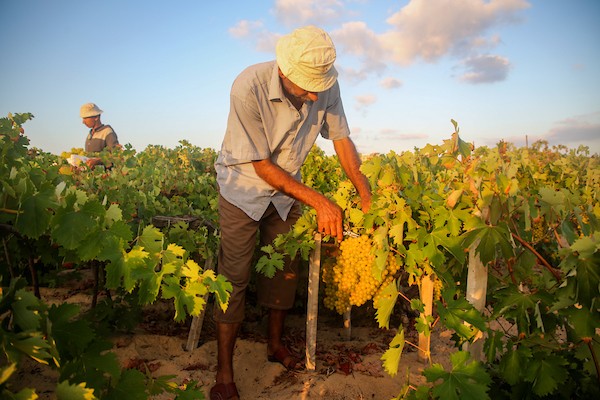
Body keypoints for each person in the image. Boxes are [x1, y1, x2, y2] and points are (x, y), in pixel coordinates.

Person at [211, 26, 372, 400]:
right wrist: (320, 201)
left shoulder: (326, 86)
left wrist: (364, 192)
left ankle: (275, 346)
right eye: (306, 86)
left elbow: (343, 141)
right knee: (233, 278)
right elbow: (262, 166)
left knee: (285, 271)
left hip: (286, 195)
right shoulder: (247, 87)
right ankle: (223, 372)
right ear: (284, 71)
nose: (316, 94)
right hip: (243, 189)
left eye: (319, 85)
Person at [80, 102, 120, 168]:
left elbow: (116, 156)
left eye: (85, 118)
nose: (83, 122)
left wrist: (98, 161)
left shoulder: (107, 131)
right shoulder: (90, 134)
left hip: (105, 176)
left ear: (96, 117)